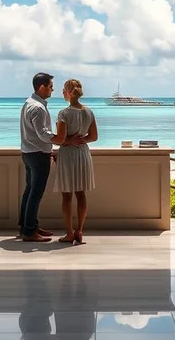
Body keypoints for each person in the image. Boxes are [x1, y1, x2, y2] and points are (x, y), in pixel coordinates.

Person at [19, 73, 84, 242]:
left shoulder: (28, 103)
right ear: (42, 87)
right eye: (50, 86)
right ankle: (29, 231)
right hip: (38, 154)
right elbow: (43, 134)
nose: (53, 89)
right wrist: (65, 141)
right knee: (36, 193)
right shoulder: (38, 108)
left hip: (28, 152)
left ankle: (28, 225)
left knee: (29, 191)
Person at [51, 79, 97, 244]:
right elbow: (93, 137)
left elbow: (60, 139)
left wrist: (66, 140)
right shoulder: (89, 112)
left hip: (69, 155)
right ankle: (80, 230)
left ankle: (69, 233)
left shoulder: (64, 113)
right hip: (83, 153)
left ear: (69, 92)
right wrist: (81, 139)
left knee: (67, 196)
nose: (62, 92)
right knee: (81, 193)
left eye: (63, 90)